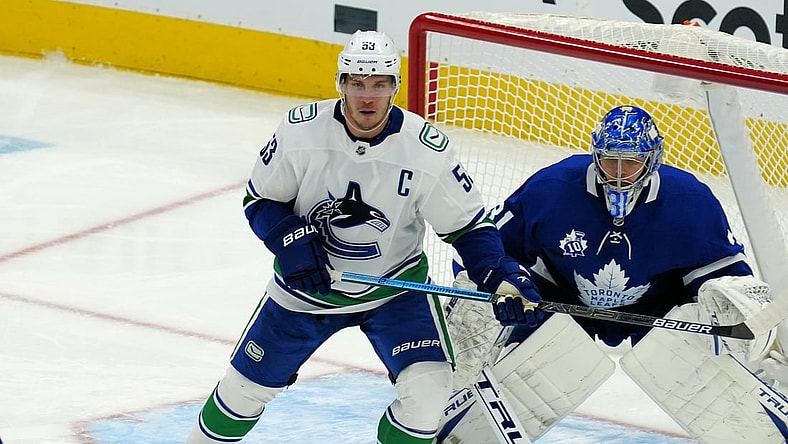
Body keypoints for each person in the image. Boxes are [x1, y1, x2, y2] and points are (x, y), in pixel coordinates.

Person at [185, 30, 541, 444]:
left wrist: (500, 275)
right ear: (340, 84)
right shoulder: (301, 132)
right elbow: (260, 199)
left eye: (379, 85)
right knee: (242, 394)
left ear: (395, 87)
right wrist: (288, 239)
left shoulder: (426, 149)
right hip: (306, 292)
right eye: (357, 83)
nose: (367, 97)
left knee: (427, 401)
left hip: (396, 290)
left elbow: (467, 227)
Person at [441, 105, 788, 443]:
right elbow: (484, 250)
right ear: (595, 154)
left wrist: (729, 303)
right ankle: (447, 409)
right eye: (610, 160)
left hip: (657, 312)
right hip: (560, 300)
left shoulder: (690, 199)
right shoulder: (552, 186)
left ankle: (756, 420)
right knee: (474, 294)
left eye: (631, 162)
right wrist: (506, 284)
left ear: (652, 160)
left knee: (733, 304)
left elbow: (731, 276)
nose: (619, 172)